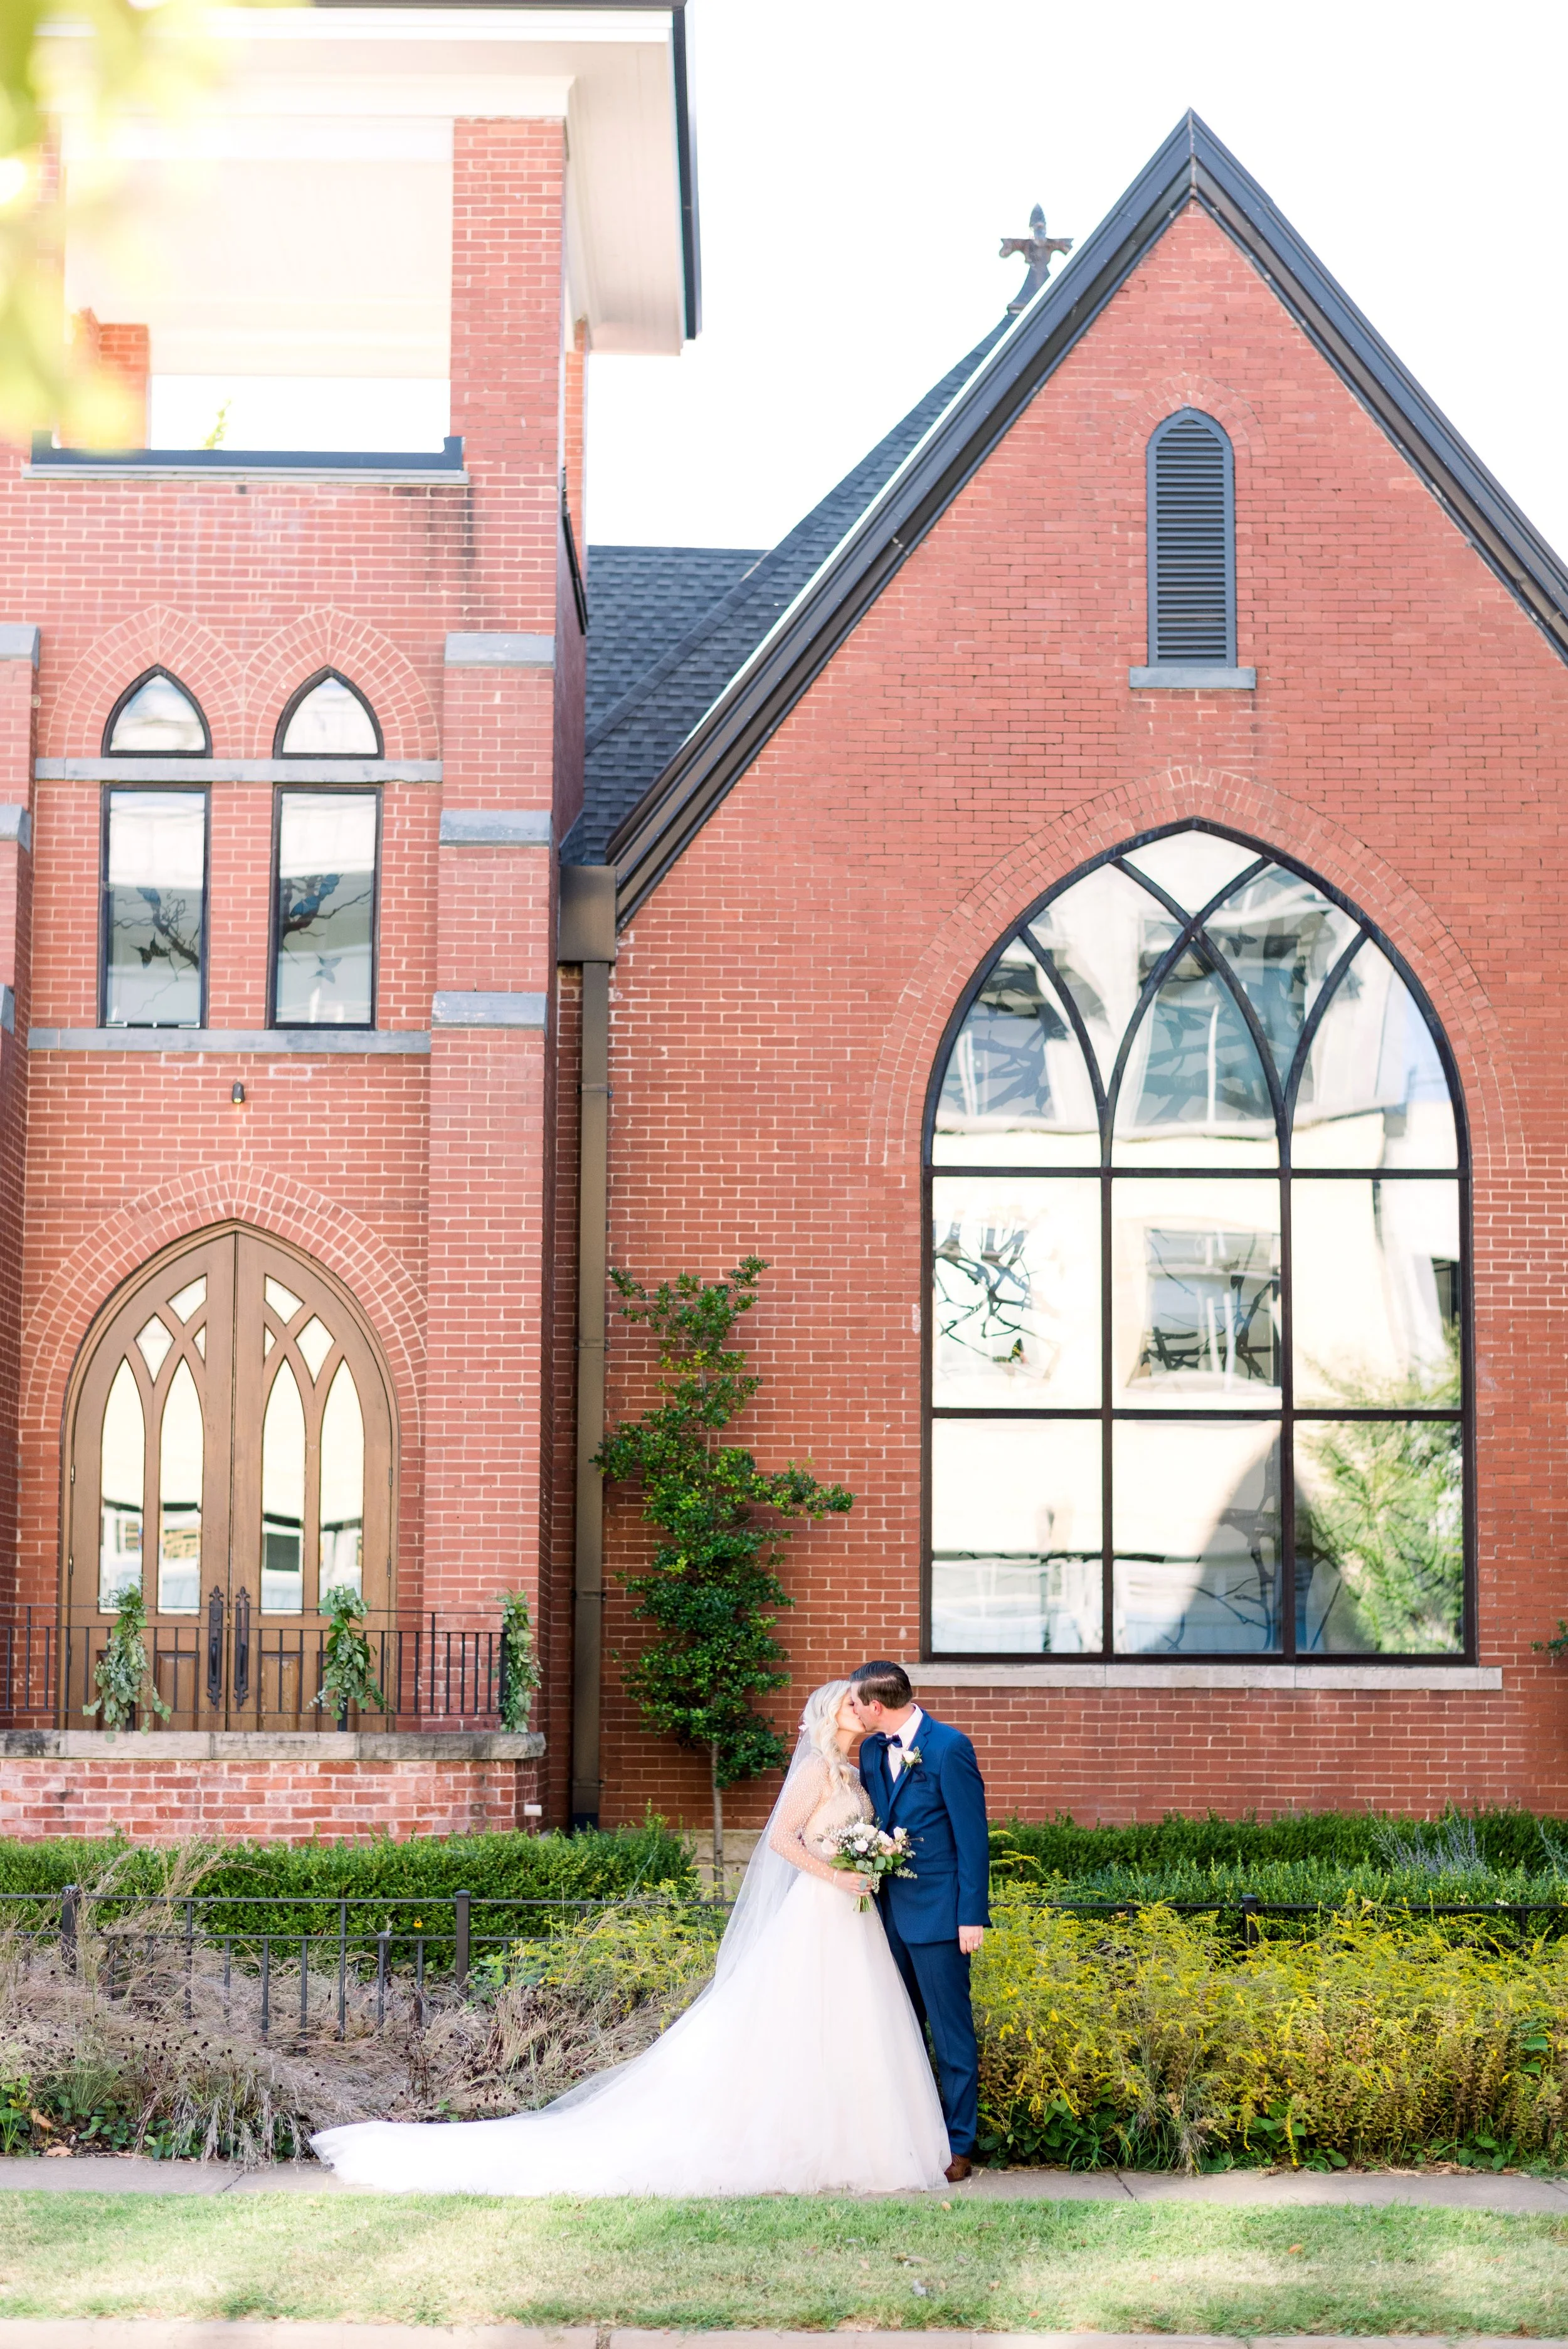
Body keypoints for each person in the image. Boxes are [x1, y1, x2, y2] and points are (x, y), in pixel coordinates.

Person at [309, 1681, 951, 2195]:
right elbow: (783, 1841)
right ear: (828, 1713)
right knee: (793, 2023)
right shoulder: (815, 1768)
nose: (859, 1708)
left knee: (848, 2027)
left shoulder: (858, 1769)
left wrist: (872, 1860)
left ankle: (851, 2141)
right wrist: (837, 1873)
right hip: (820, 1908)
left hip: (853, 1917)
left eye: (861, 1701)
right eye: (848, 1700)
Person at [850, 1660, 990, 2182]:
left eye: (857, 1703)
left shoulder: (949, 1746)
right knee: (899, 2033)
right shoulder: (869, 1750)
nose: (854, 1710)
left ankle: (958, 2145)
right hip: (885, 1916)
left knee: (951, 2037)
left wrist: (970, 1915)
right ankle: (909, 2136)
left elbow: (972, 1837)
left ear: (877, 1706)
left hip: (939, 1915)